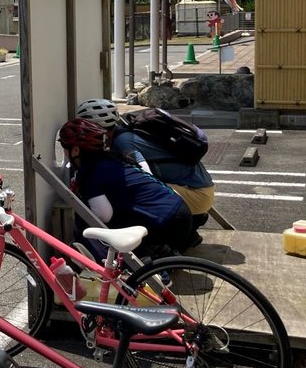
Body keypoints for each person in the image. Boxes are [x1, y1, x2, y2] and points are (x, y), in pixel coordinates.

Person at [76, 98, 215, 247]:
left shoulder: (123, 142)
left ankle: (169, 240)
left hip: (196, 193)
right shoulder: (127, 131)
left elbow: (145, 174)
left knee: (131, 199)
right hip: (199, 188)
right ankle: (191, 226)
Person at [59, 117, 193, 256]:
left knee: (94, 231)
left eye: (64, 147)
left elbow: (104, 215)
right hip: (180, 211)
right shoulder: (111, 158)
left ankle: (154, 259)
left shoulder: (89, 172)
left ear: (75, 150)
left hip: (169, 222)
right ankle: (160, 254)